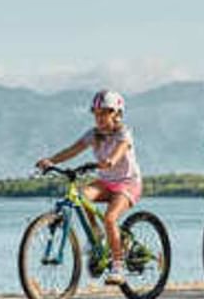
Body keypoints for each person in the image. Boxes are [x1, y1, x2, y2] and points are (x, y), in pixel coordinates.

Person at [36, 90, 143, 285]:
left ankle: (118, 267)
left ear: (117, 114)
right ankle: (97, 233)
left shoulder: (123, 133)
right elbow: (73, 150)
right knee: (79, 195)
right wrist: (50, 161)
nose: (99, 118)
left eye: (104, 113)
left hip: (128, 183)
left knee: (110, 218)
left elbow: (122, 149)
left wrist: (111, 160)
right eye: (96, 113)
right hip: (106, 183)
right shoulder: (93, 135)